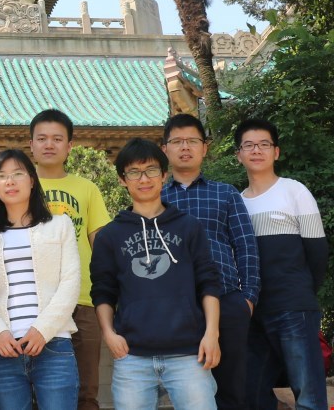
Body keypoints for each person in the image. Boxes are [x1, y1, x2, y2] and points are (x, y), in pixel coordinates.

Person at [91, 138, 220, 410]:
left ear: (164, 175)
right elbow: (102, 291)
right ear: (122, 180)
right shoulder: (110, 236)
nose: (143, 178)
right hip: (132, 357)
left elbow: (208, 283)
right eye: (134, 172)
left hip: (188, 353)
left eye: (150, 170)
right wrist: (109, 334)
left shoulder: (188, 227)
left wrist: (212, 334)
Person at [160, 113, 260, 410]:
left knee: (231, 389)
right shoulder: (155, 198)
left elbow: (247, 247)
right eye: (177, 141)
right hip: (174, 307)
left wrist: (248, 300)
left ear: (205, 147)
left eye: (192, 140)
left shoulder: (225, 194)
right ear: (164, 148)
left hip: (228, 300)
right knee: (186, 392)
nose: (185, 147)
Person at [234, 119, 329, 410]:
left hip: (293, 308)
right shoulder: (237, 202)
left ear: (276, 152)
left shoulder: (294, 191)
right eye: (248, 145)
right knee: (252, 392)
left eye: (264, 144)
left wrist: (298, 293)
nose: (256, 150)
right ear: (239, 155)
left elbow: (318, 253)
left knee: (309, 394)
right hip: (252, 312)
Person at [0, 149, 81, 410]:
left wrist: (42, 330)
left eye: (17, 174)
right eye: (1, 176)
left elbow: (70, 282)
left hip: (54, 345)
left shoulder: (60, 225)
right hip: (3, 350)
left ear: (32, 180)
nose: (9, 181)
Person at [28, 109, 111, 410]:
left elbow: (100, 244)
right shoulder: (21, 186)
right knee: (38, 388)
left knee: (86, 388)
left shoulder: (86, 188)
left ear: (69, 146)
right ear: (32, 145)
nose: (49, 144)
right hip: (36, 299)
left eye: (57, 139)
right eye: (42, 138)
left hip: (83, 297)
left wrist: (108, 292)